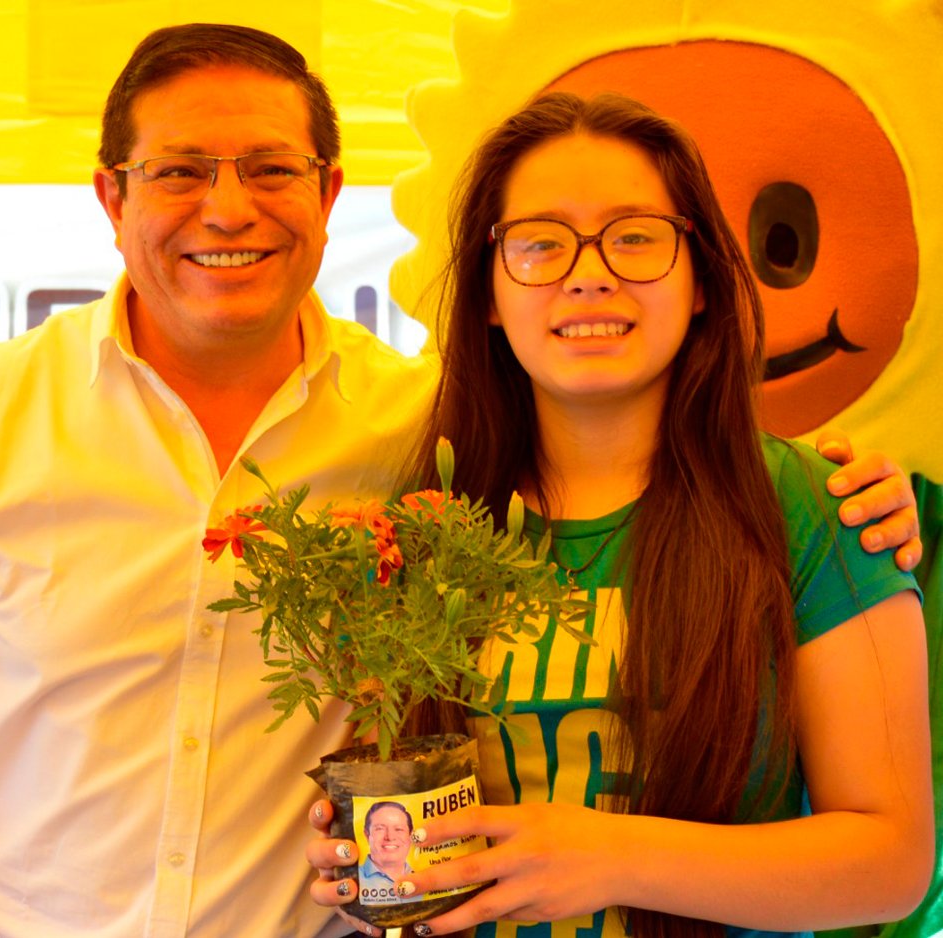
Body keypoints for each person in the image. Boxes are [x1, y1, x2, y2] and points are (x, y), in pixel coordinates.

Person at [0, 24, 919, 938]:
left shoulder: (423, 437)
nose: (227, 207)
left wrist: (857, 488)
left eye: (271, 168)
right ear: (110, 195)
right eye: (178, 169)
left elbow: (885, 850)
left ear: (330, 195)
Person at [306, 92, 932, 938]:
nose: (588, 272)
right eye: (539, 244)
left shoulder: (814, 511)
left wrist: (607, 856)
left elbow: (889, 864)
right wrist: (369, 854)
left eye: (635, 237)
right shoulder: (428, 526)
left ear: (703, 276)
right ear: (490, 292)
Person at [359, 802, 417, 897]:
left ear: (410, 835)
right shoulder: (354, 879)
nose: (390, 837)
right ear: (367, 835)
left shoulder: (421, 877)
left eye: (398, 829)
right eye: (380, 829)